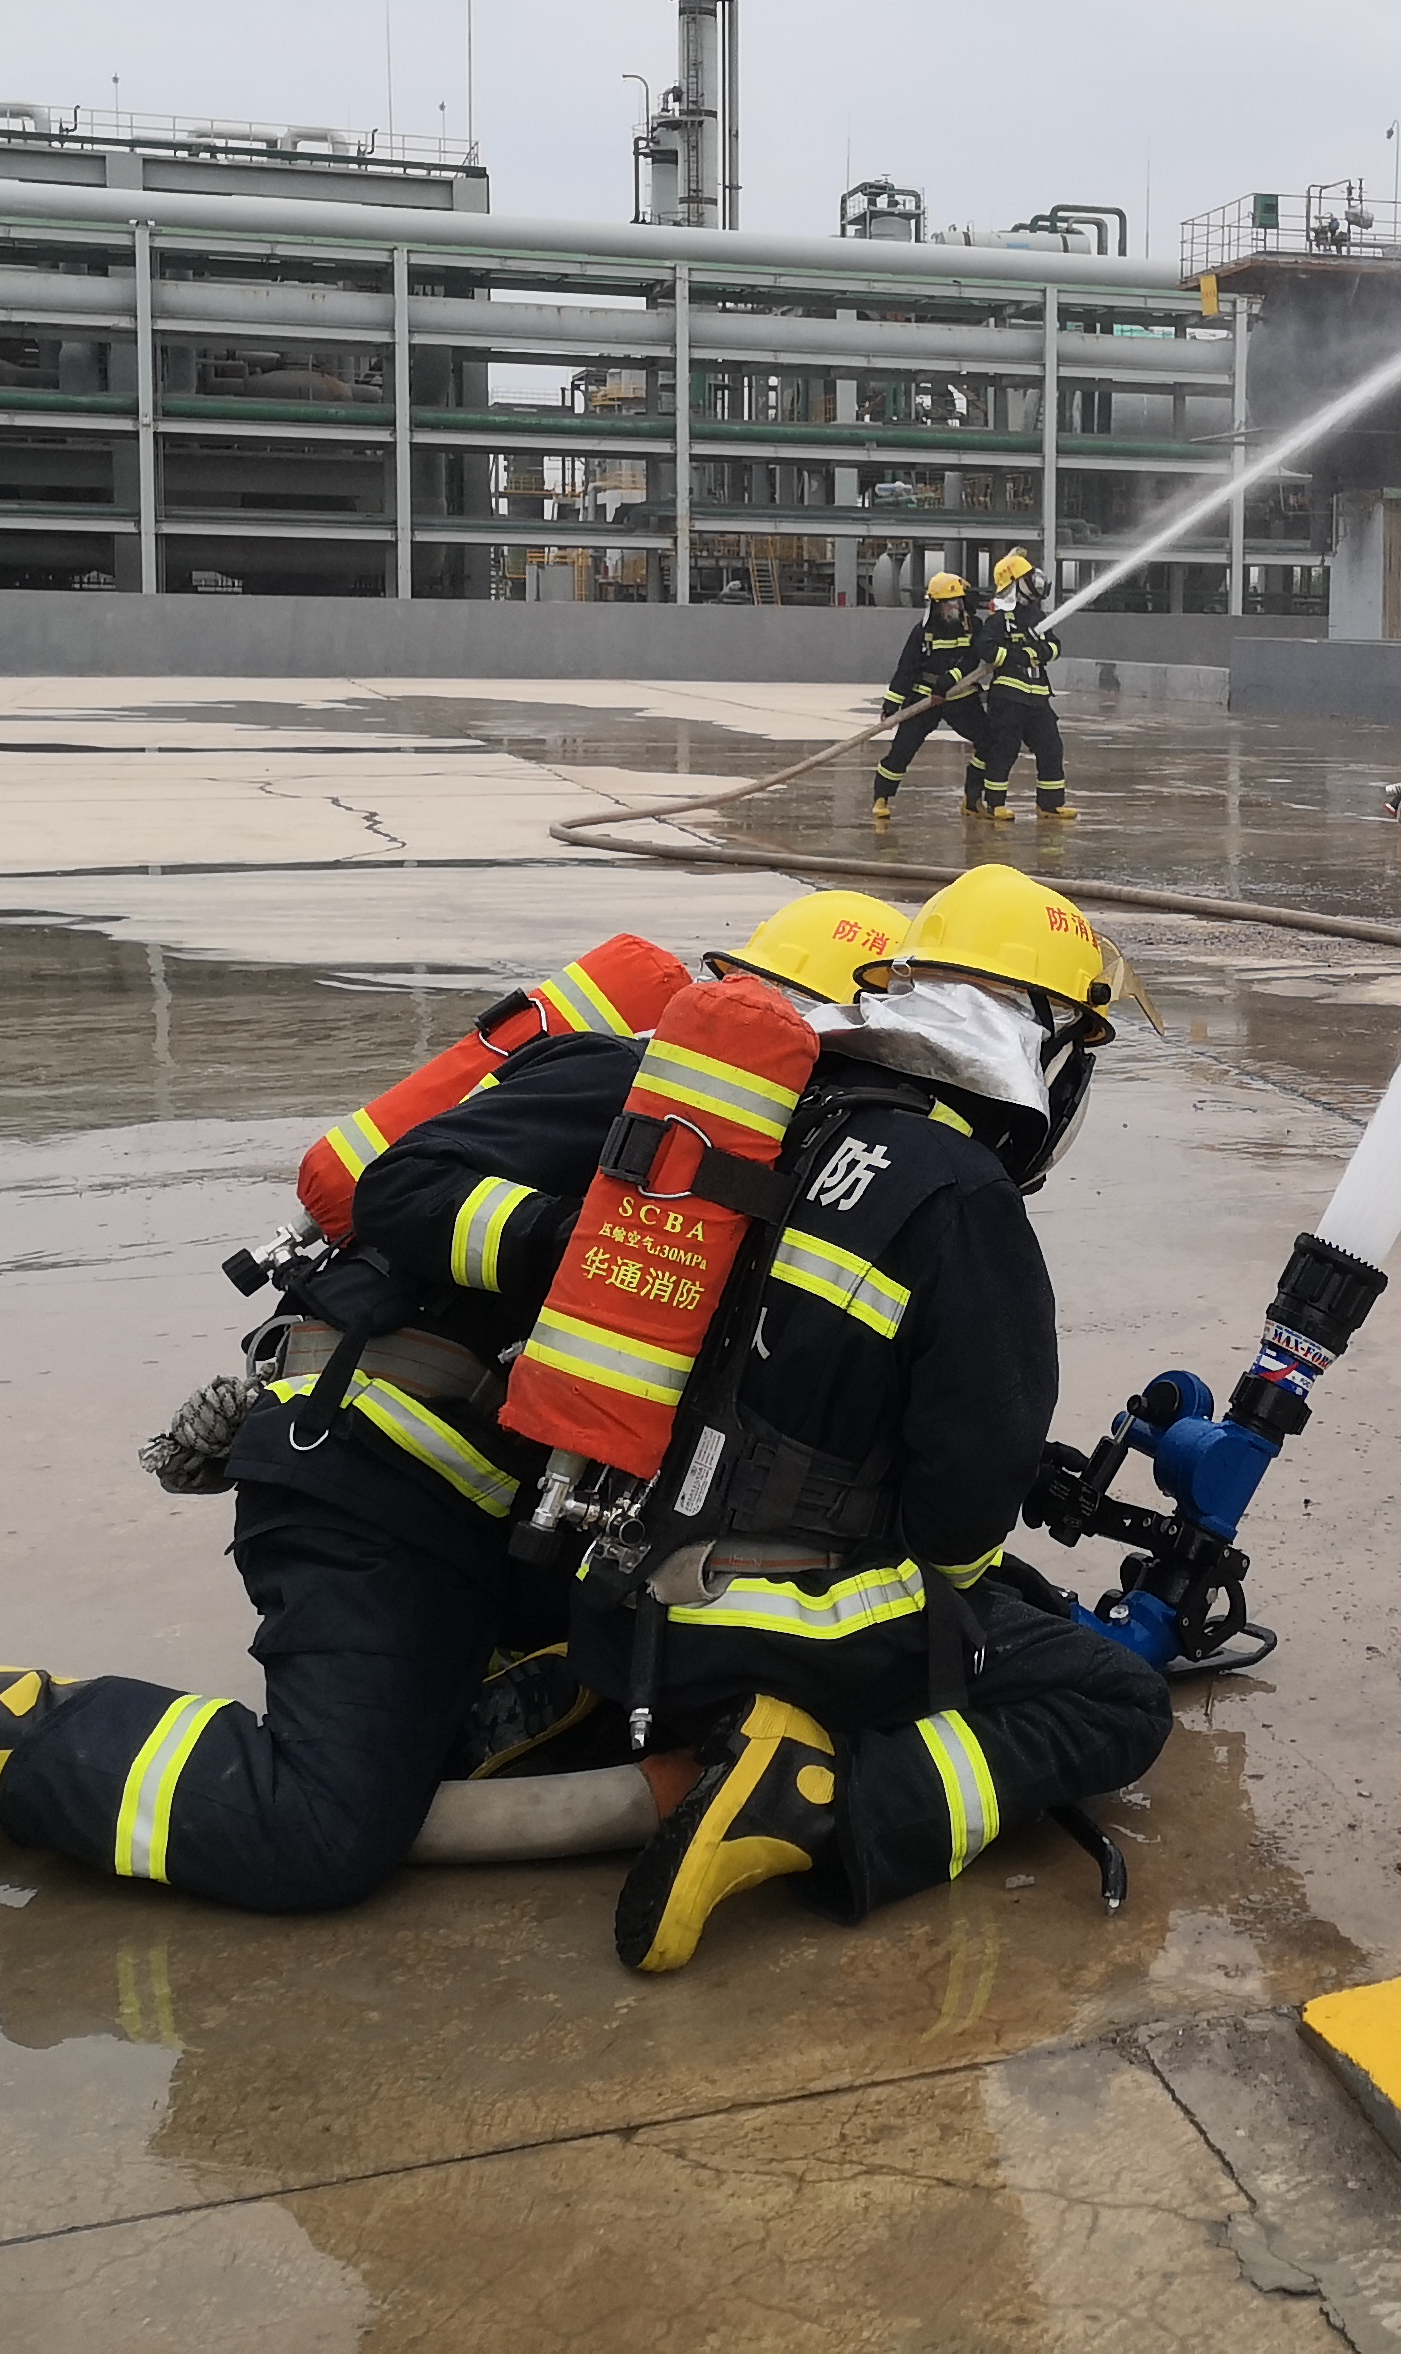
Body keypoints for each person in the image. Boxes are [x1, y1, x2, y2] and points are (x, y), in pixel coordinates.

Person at [0, 889, 913, 1918]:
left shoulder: (761, 1156)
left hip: (481, 1506)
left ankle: (461, 1697)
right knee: (322, 1831)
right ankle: (14, 1730)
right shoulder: (623, 1083)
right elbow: (402, 1191)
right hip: (372, 1472)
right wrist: (586, 1245)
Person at [589, 863, 1170, 1972]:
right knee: (1112, 1700)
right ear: (1041, 1038)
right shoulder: (960, 1194)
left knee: (1007, 1605)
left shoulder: (792, 1120)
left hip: (621, 1590)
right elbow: (966, 1495)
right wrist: (963, 1598)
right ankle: (813, 1805)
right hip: (758, 1626)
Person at [872, 573, 998, 823]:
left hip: (961, 697)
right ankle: (881, 798)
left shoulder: (974, 626)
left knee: (989, 743)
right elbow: (906, 668)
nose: (953, 607)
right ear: (936, 604)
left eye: (957, 602)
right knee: (903, 748)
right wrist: (891, 704)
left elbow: (973, 658)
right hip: (925, 697)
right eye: (948, 603)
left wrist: (951, 679)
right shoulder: (923, 631)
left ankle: (972, 800)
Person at [968, 548, 1069, 819]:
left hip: (1038, 697)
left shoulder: (1038, 618)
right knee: (1004, 750)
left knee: (1051, 747)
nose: (1034, 582)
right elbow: (985, 648)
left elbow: (1055, 647)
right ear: (1014, 583)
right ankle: (994, 804)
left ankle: (1050, 804)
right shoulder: (1000, 619)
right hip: (1009, 698)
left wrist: (1037, 652)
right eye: (1027, 577)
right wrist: (1017, 655)